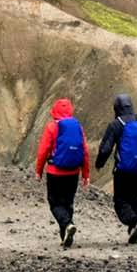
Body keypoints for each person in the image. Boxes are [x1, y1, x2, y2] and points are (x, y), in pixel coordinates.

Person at [93, 93, 137, 244]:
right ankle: (134, 228)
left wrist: (99, 163)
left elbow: (105, 149)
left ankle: (135, 222)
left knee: (120, 201)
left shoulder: (116, 124)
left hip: (123, 171)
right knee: (134, 199)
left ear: (117, 108)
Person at [32, 95, 88, 247]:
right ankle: (66, 235)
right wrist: (86, 174)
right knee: (68, 202)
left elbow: (43, 151)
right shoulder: (78, 127)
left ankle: (67, 224)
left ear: (54, 111)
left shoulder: (52, 127)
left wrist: (38, 171)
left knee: (55, 202)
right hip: (73, 172)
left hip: (55, 172)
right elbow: (84, 151)